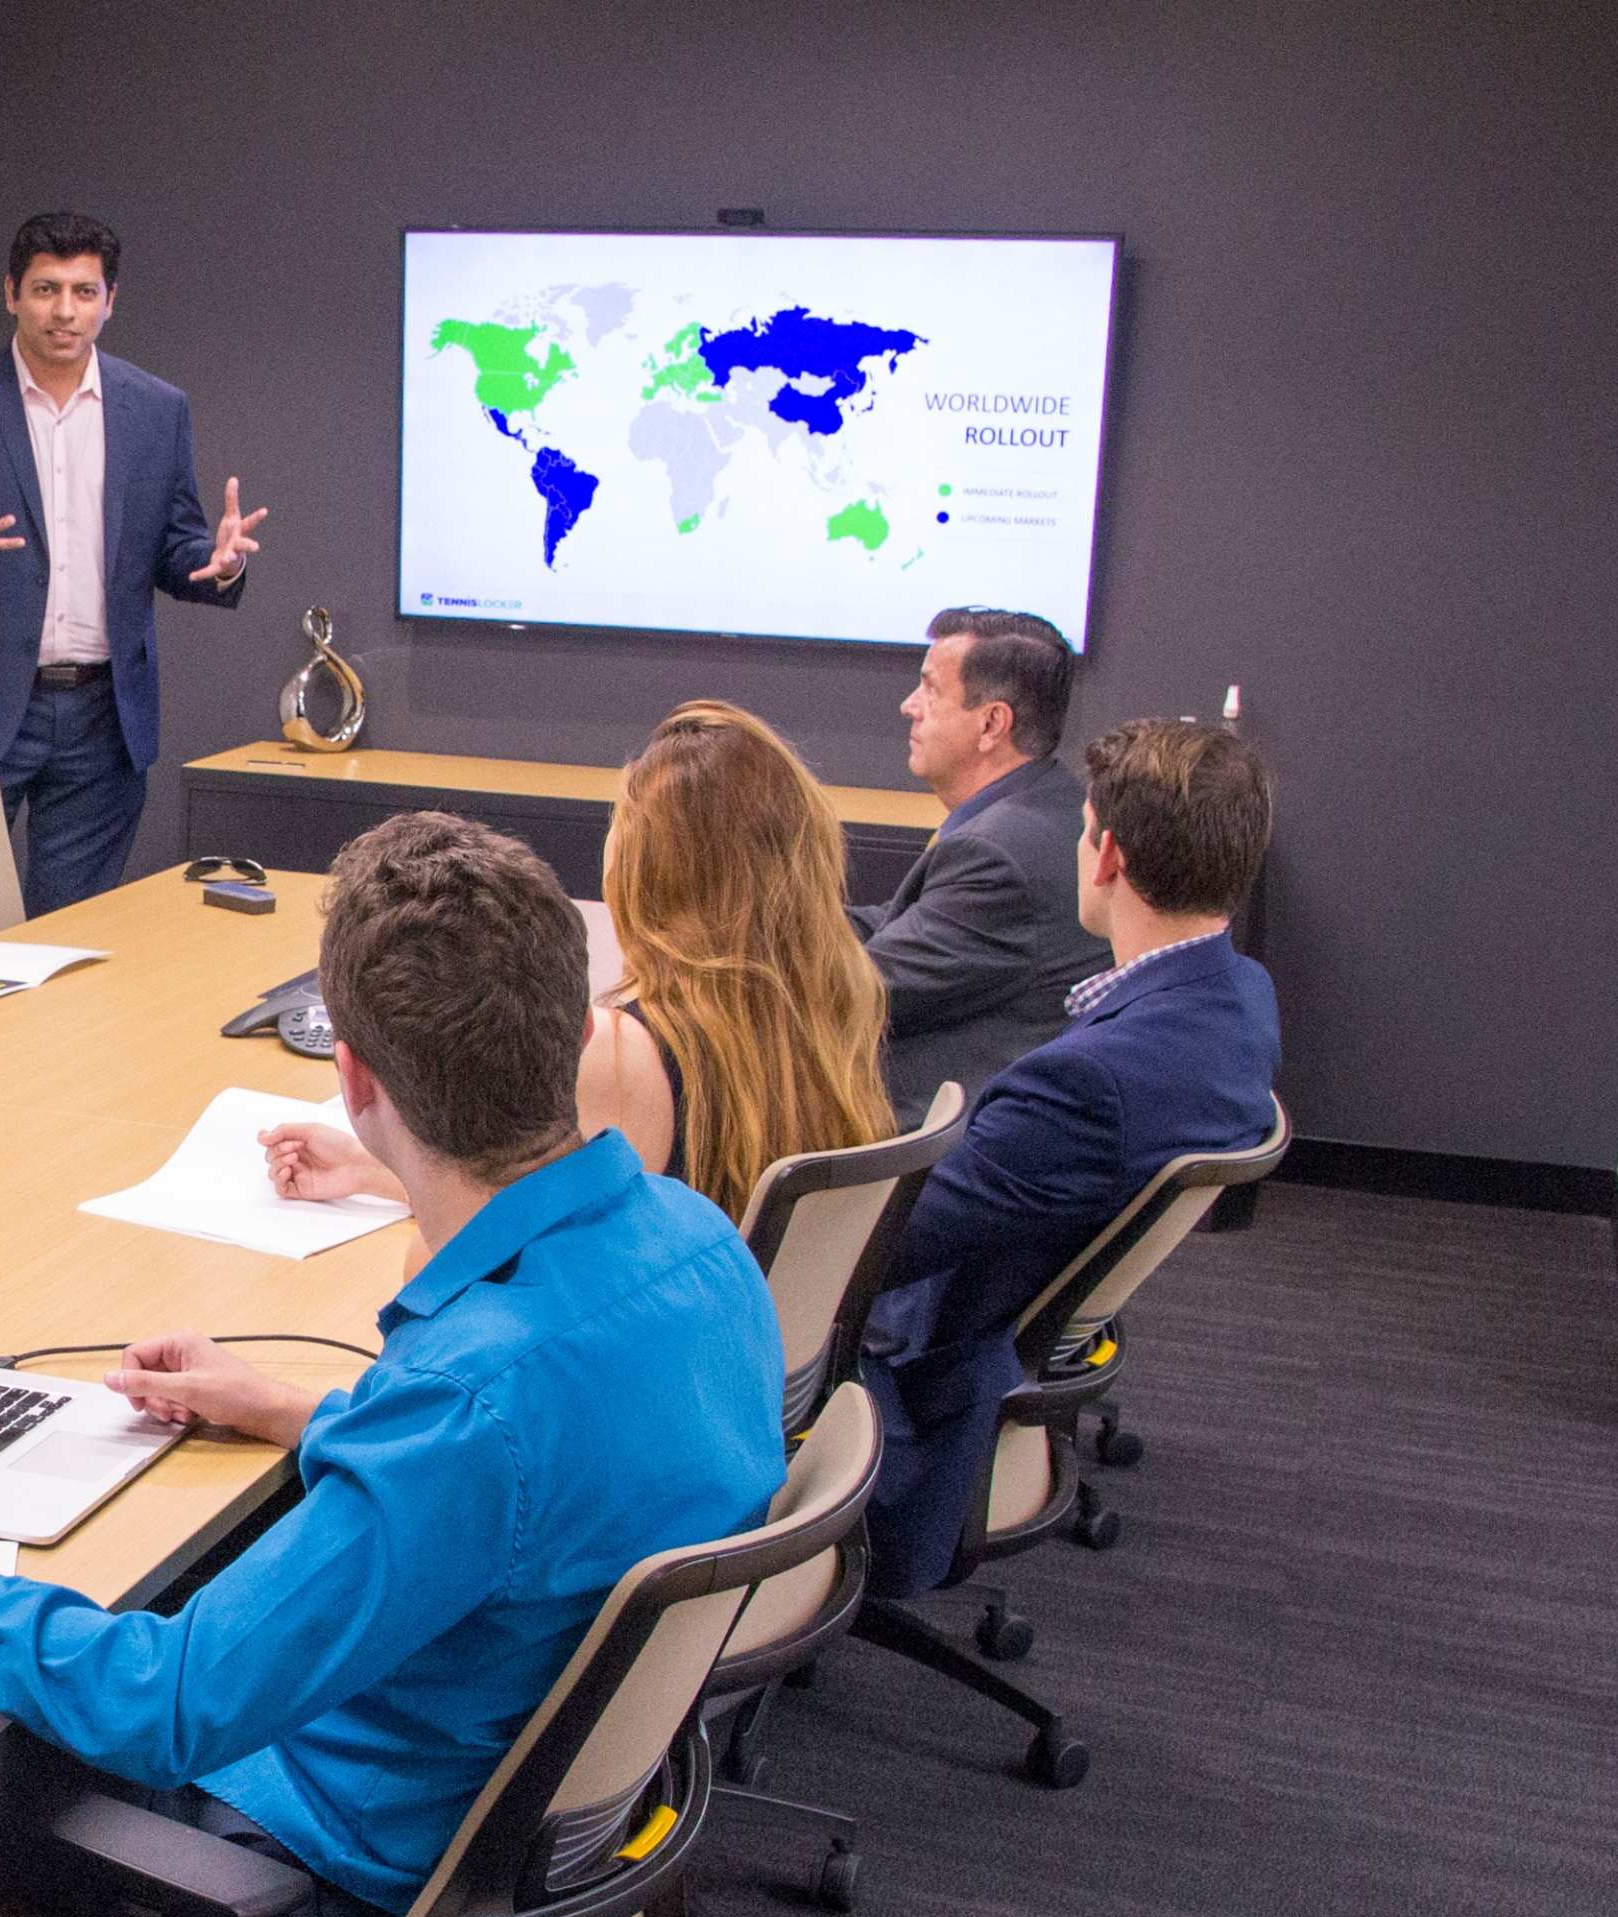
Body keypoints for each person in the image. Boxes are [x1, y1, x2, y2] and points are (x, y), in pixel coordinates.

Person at [0, 812, 784, 1917]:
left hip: (343, 1903)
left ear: (353, 1078)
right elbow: (545, 1477)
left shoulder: (465, 1402)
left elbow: (165, 1704)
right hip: (529, 1841)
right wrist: (305, 1410)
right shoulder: (697, 1242)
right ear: (574, 1032)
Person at [856, 717, 1280, 1601]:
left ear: (1108, 856)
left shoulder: (1085, 1086)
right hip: (1019, 1312)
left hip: (926, 1370)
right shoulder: (1240, 993)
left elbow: (872, 1252)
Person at [261, 699, 893, 1231]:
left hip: (639, 1368)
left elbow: (492, 1238)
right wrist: (374, 1171)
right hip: (742, 1359)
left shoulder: (618, 1052)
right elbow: (540, 1209)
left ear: (650, 873)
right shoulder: (838, 999)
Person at [0, 208, 269, 916]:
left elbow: (176, 548)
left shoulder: (156, 408)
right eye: (46, 289)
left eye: (84, 292)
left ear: (110, 301)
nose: (65, 311)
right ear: (11, 294)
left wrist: (218, 561)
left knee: (69, 934)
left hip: (102, 716)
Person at [853, 606, 1112, 1119]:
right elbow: (898, 925)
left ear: (993, 722)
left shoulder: (998, 853)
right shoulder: (1048, 803)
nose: (910, 706)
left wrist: (705, 957)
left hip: (933, 1143)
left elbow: (858, 991)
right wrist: (772, 924)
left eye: (930, 690)